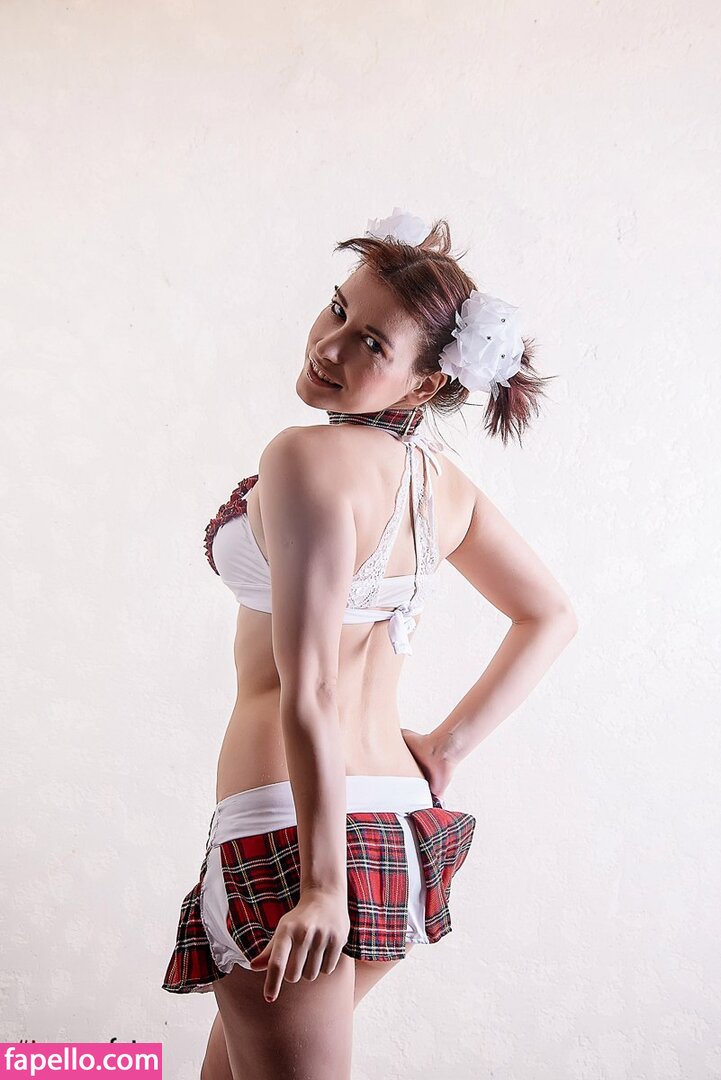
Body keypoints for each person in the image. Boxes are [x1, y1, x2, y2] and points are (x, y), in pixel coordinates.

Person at [161, 208, 579, 1080]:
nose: (330, 344)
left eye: (371, 345)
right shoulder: (441, 485)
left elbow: (310, 688)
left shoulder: (303, 458)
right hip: (393, 823)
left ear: (423, 388)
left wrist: (320, 887)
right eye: (338, 309)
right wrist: (444, 748)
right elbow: (548, 616)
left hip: (291, 831)